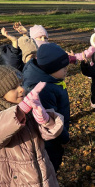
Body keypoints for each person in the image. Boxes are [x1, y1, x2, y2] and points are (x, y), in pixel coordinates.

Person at [0, 52, 63, 186]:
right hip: (11, 179)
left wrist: (45, 119)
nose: (21, 89)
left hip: (42, 173)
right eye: (13, 87)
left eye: (20, 84)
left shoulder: (26, 106)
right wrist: (21, 110)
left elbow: (48, 135)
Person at [22, 43, 70, 172]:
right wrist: (64, 137)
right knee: (50, 166)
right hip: (49, 140)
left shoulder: (52, 80)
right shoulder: (44, 90)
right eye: (62, 67)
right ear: (50, 69)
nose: (66, 69)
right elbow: (50, 122)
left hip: (56, 132)